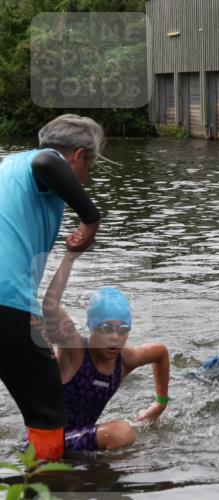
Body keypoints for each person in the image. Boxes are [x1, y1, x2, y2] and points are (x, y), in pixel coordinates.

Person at [0, 114, 103, 459]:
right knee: (48, 411)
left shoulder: (9, 165)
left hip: (11, 303)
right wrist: (91, 219)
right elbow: (47, 162)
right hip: (5, 300)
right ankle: (43, 484)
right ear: (77, 156)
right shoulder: (41, 162)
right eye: (89, 167)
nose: (85, 178)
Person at [42, 251, 170, 453]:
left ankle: (102, 477)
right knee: (120, 432)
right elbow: (50, 307)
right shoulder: (74, 352)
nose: (115, 337)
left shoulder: (125, 360)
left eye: (123, 330)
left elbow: (160, 353)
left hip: (78, 440)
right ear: (92, 327)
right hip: (44, 444)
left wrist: (160, 403)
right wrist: (69, 259)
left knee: (123, 436)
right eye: (106, 328)